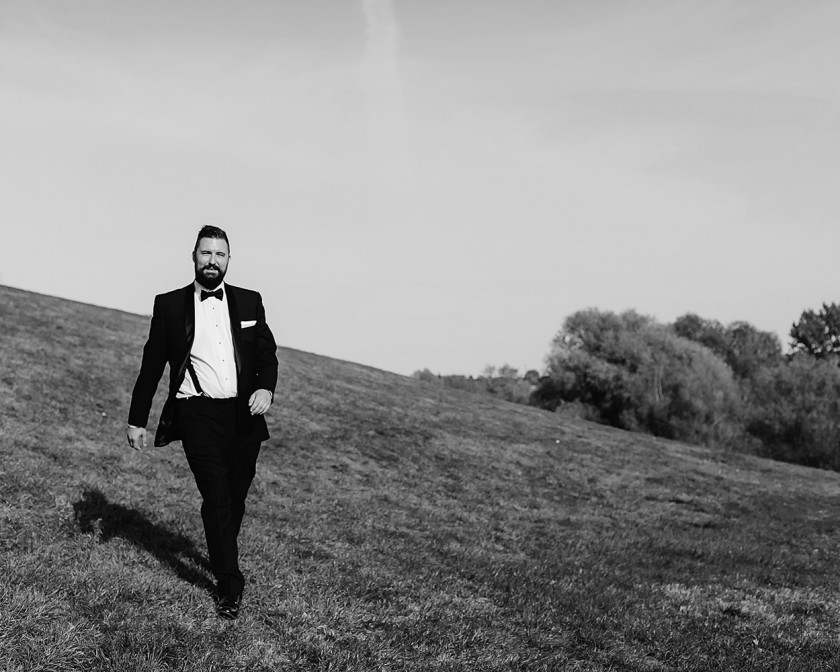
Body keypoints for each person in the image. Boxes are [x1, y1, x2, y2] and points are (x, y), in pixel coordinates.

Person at [126, 225, 278, 620]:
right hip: (197, 413)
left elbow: (266, 355)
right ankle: (229, 583)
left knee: (236, 496)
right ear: (193, 256)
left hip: (243, 413)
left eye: (220, 255)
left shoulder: (249, 301)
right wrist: (136, 420)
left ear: (229, 260)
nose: (212, 261)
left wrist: (266, 390)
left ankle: (221, 551)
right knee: (217, 497)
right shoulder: (170, 305)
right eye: (206, 253)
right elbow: (151, 367)